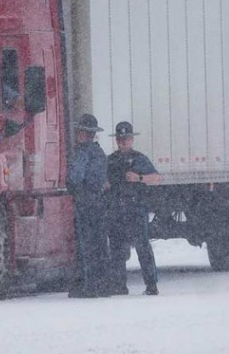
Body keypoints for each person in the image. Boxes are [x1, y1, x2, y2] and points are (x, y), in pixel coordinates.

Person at [106, 121, 161, 295]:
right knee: (116, 248)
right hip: (116, 208)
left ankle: (151, 285)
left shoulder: (139, 159)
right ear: (116, 140)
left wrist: (139, 178)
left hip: (136, 207)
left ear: (132, 139)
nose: (123, 141)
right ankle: (119, 285)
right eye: (120, 138)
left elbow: (156, 179)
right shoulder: (111, 160)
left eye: (126, 138)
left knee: (142, 247)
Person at [66, 113, 111, 298]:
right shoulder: (99, 152)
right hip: (99, 201)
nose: (78, 134)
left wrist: (69, 183)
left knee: (86, 245)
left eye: (80, 131)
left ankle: (88, 285)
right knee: (100, 244)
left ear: (85, 133)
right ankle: (103, 284)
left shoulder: (82, 152)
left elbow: (76, 177)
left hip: (85, 201)